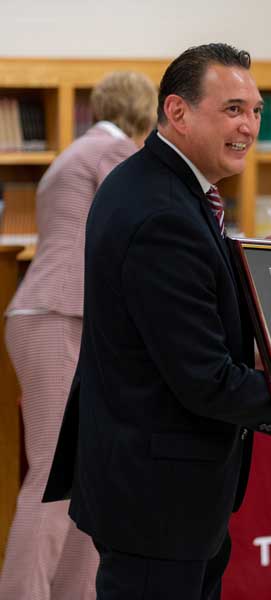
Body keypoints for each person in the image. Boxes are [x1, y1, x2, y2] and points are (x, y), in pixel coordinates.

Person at [41, 43, 271, 599]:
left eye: (256, 110)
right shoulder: (163, 211)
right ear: (178, 111)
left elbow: (191, 284)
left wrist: (256, 263)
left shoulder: (163, 188)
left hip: (166, 495)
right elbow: (204, 377)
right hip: (157, 501)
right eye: (233, 108)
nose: (249, 125)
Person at [0, 70, 157, 600]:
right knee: (52, 474)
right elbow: (156, 217)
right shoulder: (110, 153)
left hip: (61, 317)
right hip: (57, 315)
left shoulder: (82, 150)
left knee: (86, 473)